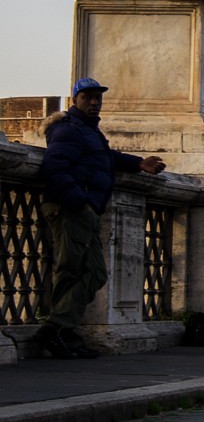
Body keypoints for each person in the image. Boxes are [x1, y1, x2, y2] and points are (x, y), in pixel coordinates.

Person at [34, 77, 165, 358]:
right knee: (71, 271)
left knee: (93, 273)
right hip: (71, 210)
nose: (94, 103)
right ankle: (59, 332)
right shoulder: (68, 130)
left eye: (98, 98)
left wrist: (138, 163)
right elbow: (53, 167)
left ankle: (60, 330)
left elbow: (104, 157)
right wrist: (80, 203)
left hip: (85, 211)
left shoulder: (88, 131)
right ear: (74, 100)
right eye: (87, 98)